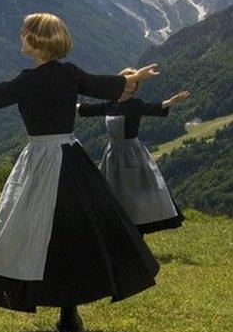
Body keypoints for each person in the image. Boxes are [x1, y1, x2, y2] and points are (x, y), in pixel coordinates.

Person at [0, 12, 161, 332]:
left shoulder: (28, 80)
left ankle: (59, 307)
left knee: (31, 229)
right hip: (71, 161)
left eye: (24, 31)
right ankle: (69, 312)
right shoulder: (69, 74)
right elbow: (106, 85)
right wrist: (132, 78)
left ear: (36, 40)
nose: (20, 36)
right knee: (77, 230)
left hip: (40, 161)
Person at [78, 79, 190, 234]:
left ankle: (138, 228)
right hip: (112, 154)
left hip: (132, 153)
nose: (130, 85)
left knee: (134, 190)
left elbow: (156, 107)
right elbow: (87, 109)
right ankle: (118, 227)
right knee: (114, 190)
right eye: (128, 81)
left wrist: (172, 101)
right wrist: (66, 101)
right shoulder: (110, 104)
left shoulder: (135, 104)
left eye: (134, 83)